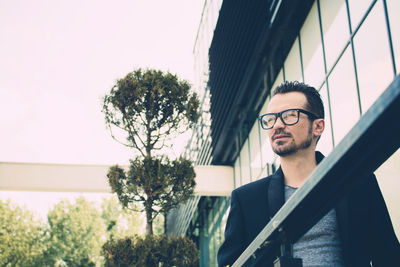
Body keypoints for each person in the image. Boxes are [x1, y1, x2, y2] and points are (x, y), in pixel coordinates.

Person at [217, 81, 400, 266]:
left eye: (289, 116)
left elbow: (388, 254)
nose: (277, 125)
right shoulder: (246, 199)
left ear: (318, 127)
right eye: (271, 119)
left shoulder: (358, 182)